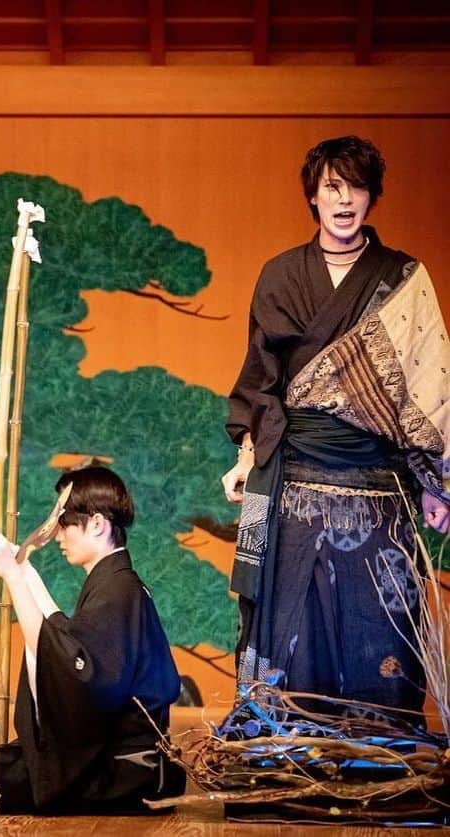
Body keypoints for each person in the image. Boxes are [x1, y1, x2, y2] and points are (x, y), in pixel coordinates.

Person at [221, 136, 450, 713]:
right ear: (314, 198)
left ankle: (381, 761)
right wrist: (246, 459)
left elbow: (430, 389)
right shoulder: (280, 275)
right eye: (331, 186)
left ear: (372, 198)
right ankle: (281, 754)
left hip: (379, 485)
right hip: (291, 479)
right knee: (291, 629)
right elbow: (260, 383)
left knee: (382, 629)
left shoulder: (403, 279)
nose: (344, 199)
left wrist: (433, 481)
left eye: (356, 187)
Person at [0, 465, 183, 814]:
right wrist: (22, 568)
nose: (58, 536)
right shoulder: (116, 584)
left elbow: (73, 670)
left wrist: (13, 574)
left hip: (119, 769)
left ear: (97, 524)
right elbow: (63, 637)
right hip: (104, 753)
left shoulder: (118, 592)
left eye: (65, 524)